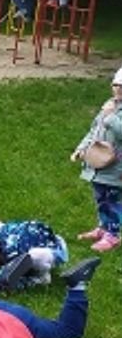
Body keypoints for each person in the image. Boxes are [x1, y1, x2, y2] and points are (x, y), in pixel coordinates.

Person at [70, 66, 122, 252]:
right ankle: (103, 228)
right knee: (100, 197)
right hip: (99, 165)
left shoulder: (111, 111)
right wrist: (81, 149)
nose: (118, 89)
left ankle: (113, 234)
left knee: (112, 200)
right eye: (115, 85)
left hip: (116, 168)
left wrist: (110, 117)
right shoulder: (109, 105)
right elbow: (94, 131)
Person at [0, 219, 67, 286]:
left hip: (56, 248)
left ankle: (41, 277)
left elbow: (10, 281)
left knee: (36, 256)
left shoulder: (13, 258)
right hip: (37, 235)